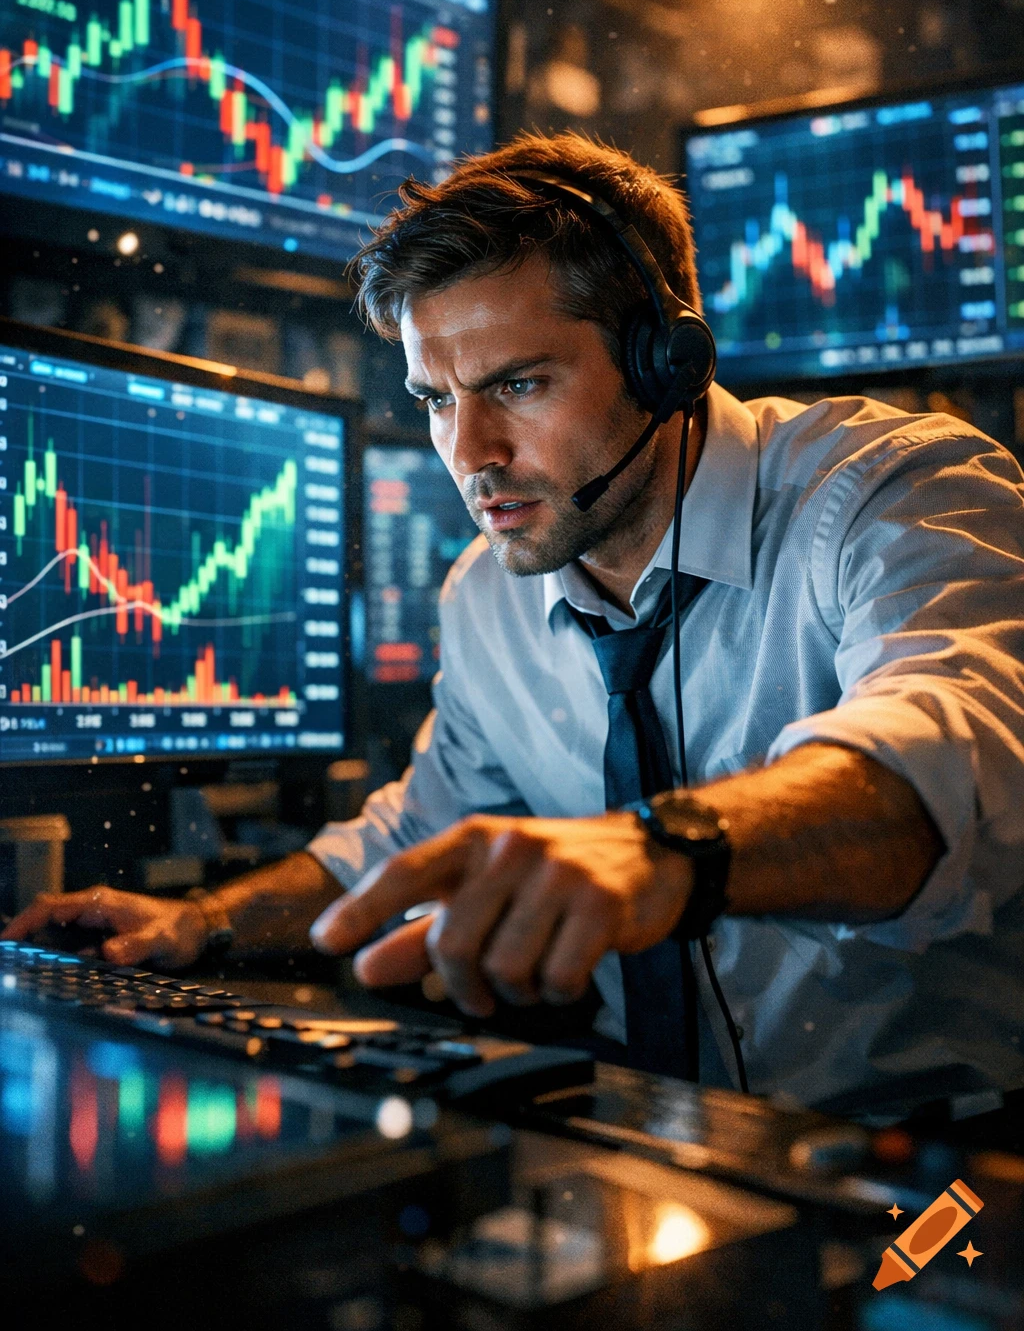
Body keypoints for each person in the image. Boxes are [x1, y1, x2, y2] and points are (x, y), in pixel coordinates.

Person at [7, 133, 1024, 1124]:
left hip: (943, 1155)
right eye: (434, 400)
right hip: (669, 1143)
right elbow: (420, 832)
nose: (470, 451)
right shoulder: (486, 594)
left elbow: (941, 760)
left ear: (664, 357)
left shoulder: (893, 492)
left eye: (516, 385)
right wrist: (206, 923)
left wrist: (662, 853)